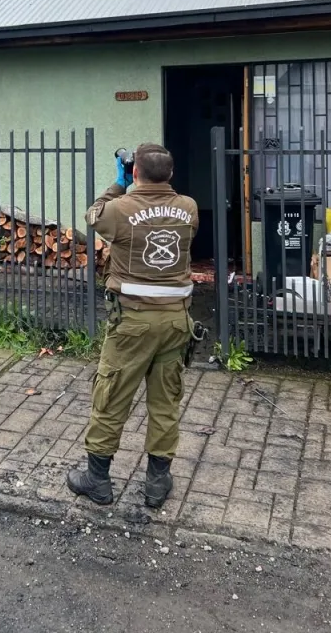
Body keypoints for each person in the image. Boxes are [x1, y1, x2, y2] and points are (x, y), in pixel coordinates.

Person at [67, 142, 198, 508]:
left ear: (135, 172)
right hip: (176, 321)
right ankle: (157, 483)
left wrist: (118, 184)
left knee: (111, 397)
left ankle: (97, 480)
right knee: (165, 401)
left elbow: (93, 215)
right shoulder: (188, 208)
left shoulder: (121, 209)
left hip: (132, 324)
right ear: (170, 174)